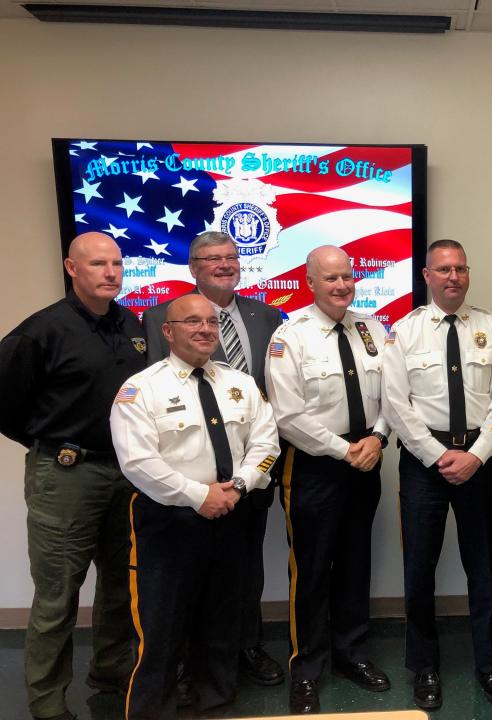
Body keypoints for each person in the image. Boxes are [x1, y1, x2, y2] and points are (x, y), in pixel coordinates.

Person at [110, 293, 280, 719]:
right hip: (170, 522)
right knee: (161, 627)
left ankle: (215, 702)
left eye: (210, 322)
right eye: (192, 322)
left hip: (232, 512)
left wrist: (239, 486)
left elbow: (266, 443)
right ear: (168, 332)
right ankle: (154, 709)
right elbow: (138, 462)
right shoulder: (141, 390)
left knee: (222, 620)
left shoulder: (239, 384)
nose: (205, 329)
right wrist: (199, 495)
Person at [0, 232, 147, 720]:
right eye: (98, 264)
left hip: (126, 475)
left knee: (118, 586)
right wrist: (54, 447)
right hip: (66, 475)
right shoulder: (42, 331)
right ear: (72, 267)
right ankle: (46, 701)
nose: (110, 272)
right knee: (58, 592)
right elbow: (7, 406)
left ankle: (110, 673)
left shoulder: (132, 325)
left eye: (117, 263)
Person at [142, 231, 284, 687]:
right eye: (212, 258)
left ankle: (246, 645)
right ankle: (187, 658)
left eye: (231, 257)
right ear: (193, 269)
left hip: (250, 473)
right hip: (188, 483)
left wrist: (246, 477)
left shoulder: (269, 316)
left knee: (246, 565)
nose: (224, 264)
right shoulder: (156, 318)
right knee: (184, 575)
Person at [381, 239, 492, 710]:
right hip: (423, 464)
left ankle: (488, 664)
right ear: (426, 275)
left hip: (480, 459)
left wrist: (476, 455)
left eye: (460, 268)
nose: (453, 276)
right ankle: (425, 666)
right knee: (420, 567)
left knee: (484, 568)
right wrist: (438, 456)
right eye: (444, 269)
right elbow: (397, 404)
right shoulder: (404, 331)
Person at [265, 246, 391, 714]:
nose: (341, 285)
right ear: (310, 280)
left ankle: (352, 655)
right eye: (331, 278)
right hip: (316, 465)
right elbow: (288, 415)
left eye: (347, 276)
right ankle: (307, 669)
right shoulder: (290, 337)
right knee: (312, 570)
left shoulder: (372, 328)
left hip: (368, 456)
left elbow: (392, 396)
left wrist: (377, 438)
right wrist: (345, 451)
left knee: (356, 562)